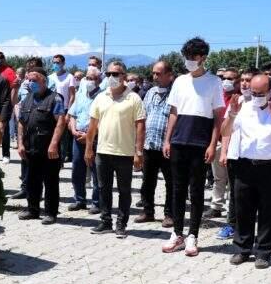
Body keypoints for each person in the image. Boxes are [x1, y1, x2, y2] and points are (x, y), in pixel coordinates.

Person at [224, 75, 271, 269]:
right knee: (243, 209)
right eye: (253, 93)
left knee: (268, 211)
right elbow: (224, 132)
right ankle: (242, 249)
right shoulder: (243, 108)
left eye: (260, 94)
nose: (255, 96)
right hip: (245, 165)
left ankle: (263, 252)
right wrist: (231, 114)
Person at [161, 37, 225, 256]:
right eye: (186, 57)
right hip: (179, 141)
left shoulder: (214, 82)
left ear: (203, 58)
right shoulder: (179, 81)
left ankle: (192, 236)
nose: (189, 61)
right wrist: (167, 139)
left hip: (200, 143)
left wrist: (212, 143)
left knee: (196, 192)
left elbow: (218, 117)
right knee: (177, 190)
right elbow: (173, 112)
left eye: (193, 57)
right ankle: (177, 234)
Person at [85, 61, 145, 238]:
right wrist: (89, 148)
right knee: (103, 188)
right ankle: (105, 222)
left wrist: (138, 152)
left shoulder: (134, 98)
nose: (112, 77)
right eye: (109, 74)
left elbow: (140, 126)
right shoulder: (100, 97)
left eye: (116, 74)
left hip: (125, 154)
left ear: (124, 77)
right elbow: (92, 126)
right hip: (103, 152)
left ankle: (121, 224)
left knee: (124, 190)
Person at [17, 67, 66, 224]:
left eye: (35, 80)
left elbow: (60, 121)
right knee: (32, 180)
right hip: (31, 147)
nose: (31, 83)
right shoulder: (27, 99)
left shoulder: (54, 98)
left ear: (44, 81)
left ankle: (51, 212)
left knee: (50, 181)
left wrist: (53, 144)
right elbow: (21, 123)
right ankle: (33, 209)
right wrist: (20, 144)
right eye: (29, 80)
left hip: (48, 148)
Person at [217, 68, 256, 239]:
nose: (245, 83)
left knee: (253, 194)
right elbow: (227, 130)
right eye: (243, 80)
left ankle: (251, 228)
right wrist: (224, 152)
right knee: (234, 193)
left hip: (255, 158)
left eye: (249, 80)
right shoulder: (236, 101)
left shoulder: (264, 104)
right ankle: (232, 225)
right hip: (235, 156)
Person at [135, 60, 174, 228]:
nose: (155, 76)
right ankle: (147, 211)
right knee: (148, 181)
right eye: (153, 73)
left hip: (168, 147)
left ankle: (169, 214)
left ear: (169, 75)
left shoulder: (176, 93)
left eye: (158, 73)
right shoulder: (150, 92)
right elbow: (143, 116)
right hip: (150, 145)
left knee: (171, 182)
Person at [204, 68, 241, 220]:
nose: (226, 81)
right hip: (218, 142)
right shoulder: (217, 96)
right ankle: (216, 206)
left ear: (237, 81)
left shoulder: (239, 99)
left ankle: (233, 210)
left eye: (230, 78)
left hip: (234, 144)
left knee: (234, 180)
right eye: (223, 77)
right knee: (219, 178)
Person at [67, 67, 102, 214]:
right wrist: (74, 130)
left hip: (95, 139)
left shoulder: (103, 97)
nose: (89, 81)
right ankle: (80, 200)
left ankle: (97, 202)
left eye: (92, 78)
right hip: (77, 138)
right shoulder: (80, 95)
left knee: (96, 171)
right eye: (87, 78)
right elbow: (72, 115)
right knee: (77, 170)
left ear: (99, 80)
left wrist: (89, 136)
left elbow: (104, 120)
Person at [10, 57, 44, 200]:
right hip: (24, 124)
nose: (30, 71)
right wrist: (15, 88)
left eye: (33, 68)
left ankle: (37, 191)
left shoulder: (46, 83)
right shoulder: (24, 83)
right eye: (28, 68)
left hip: (39, 127)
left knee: (38, 162)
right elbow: (15, 102)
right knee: (24, 157)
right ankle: (25, 188)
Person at [48, 54, 76, 163]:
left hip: (63, 109)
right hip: (51, 109)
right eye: (54, 62)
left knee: (63, 136)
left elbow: (72, 95)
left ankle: (61, 158)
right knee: (52, 133)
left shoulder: (69, 77)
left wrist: (69, 111)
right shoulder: (50, 77)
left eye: (58, 62)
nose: (55, 64)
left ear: (63, 63)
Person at [0, 51, 18, 164]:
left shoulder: (9, 72)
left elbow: (14, 88)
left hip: (5, 104)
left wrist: (12, 105)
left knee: (5, 130)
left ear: (3, 58)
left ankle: (6, 154)